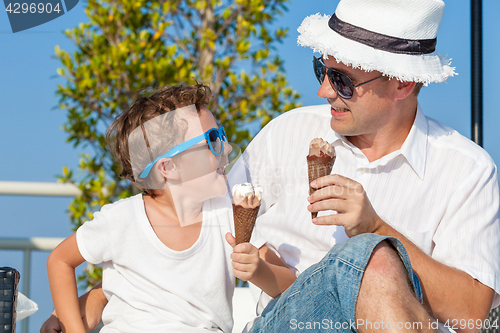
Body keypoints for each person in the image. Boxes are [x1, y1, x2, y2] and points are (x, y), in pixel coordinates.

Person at [43, 0, 500, 332]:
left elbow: (476, 314)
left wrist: (375, 225)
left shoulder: (465, 170)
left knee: (371, 259)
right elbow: (197, 226)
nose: (323, 91)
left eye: (341, 80)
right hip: (286, 323)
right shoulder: (289, 132)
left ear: (401, 84)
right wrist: (106, 297)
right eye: (321, 69)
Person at [45, 83, 296, 333]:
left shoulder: (228, 215)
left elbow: (290, 285)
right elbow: (60, 260)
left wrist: (258, 270)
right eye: (211, 140)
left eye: (221, 135)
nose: (226, 148)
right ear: (168, 168)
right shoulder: (121, 220)